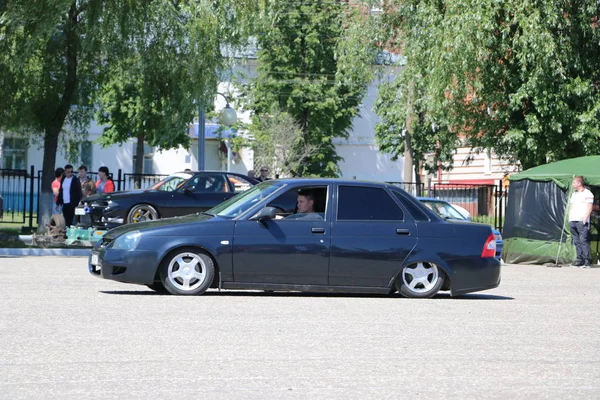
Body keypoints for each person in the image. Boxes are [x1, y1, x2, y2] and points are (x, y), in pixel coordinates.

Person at [568, 176, 594, 268]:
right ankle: (580, 260)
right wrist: (569, 218)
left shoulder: (588, 193)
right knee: (576, 241)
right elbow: (571, 206)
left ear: (579, 183)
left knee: (583, 240)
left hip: (581, 220)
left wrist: (584, 219)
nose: (573, 184)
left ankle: (587, 260)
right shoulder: (574, 194)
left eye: (574, 182)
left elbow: (589, 207)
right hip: (573, 220)